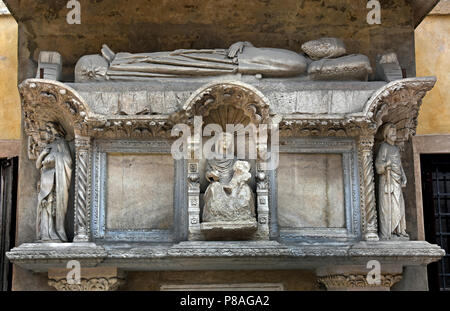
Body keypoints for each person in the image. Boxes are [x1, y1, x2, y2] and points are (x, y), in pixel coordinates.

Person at [36, 122, 72, 242]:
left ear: (57, 130)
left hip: (56, 182)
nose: (49, 132)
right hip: (45, 183)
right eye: (47, 129)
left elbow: (68, 161)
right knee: (45, 206)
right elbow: (37, 165)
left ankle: (55, 233)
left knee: (53, 208)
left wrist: (55, 157)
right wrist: (44, 154)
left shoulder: (61, 143)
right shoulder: (48, 147)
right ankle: (45, 234)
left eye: (50, 128)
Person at [375, 123, 409, 240]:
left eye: (395, 130)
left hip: (397, 181)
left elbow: (399, 165)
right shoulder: (383, 147)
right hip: (387, 181)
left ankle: (399, 230)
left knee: (399, 205)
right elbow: (378, 165)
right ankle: (390, 232)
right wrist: (386, 165)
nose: (394, 133)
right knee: (390, 206)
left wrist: (403, 176)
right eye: (391, 131)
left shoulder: (395, 148)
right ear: (385, 134)